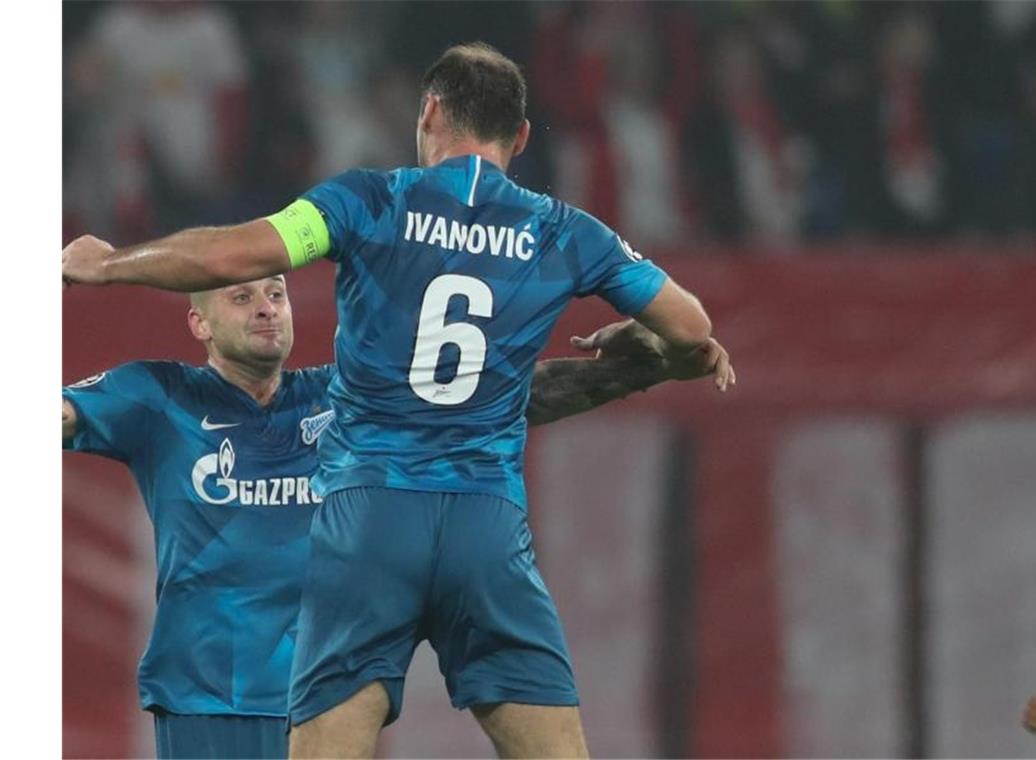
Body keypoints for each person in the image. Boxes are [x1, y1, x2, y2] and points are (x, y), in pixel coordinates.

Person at [63, 42, 729, 758]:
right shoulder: (565, 230)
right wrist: (658, 352)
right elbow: (691, 329)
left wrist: (108, 265)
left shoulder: (369, 201)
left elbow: (238, 252)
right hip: (485, 520)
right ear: (523, 136)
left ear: (430, 112)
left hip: (370, 518)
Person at [64, 275, 733, 759]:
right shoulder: (155, 396)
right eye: (242, 298)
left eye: (276, 293)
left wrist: (646, 368)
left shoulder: (348, 395)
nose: (267, 309)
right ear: (200, 323)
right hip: (211, 696)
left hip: (328, 702)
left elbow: (506, 400)